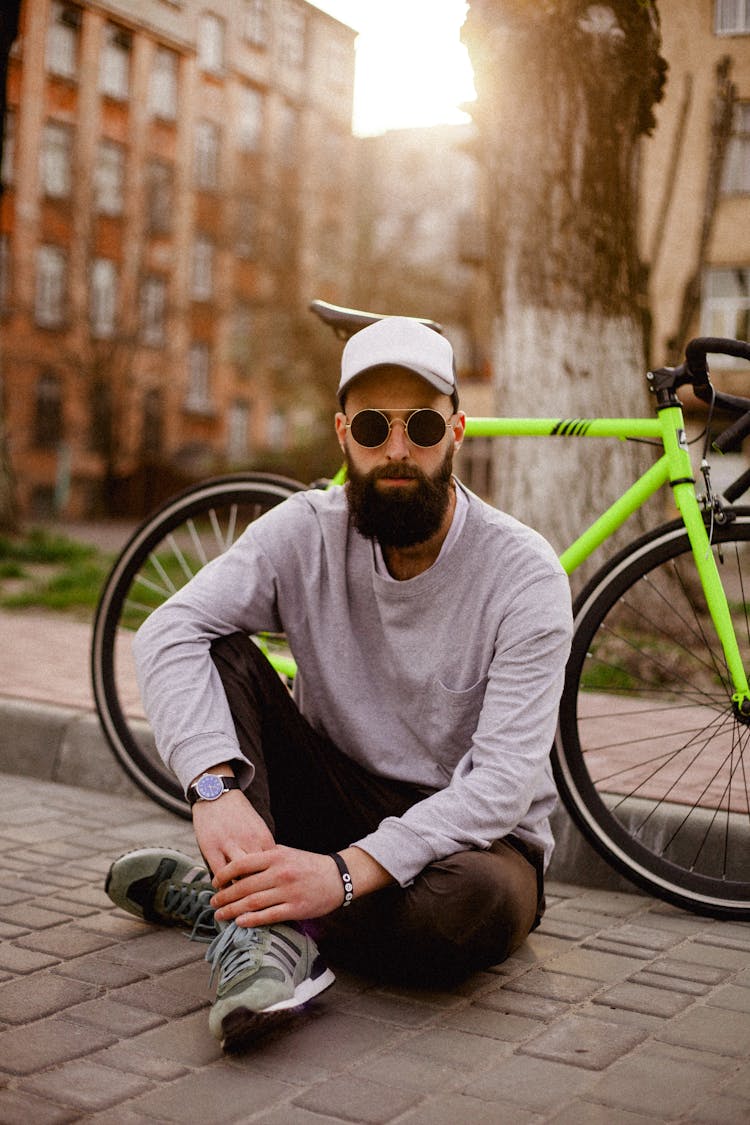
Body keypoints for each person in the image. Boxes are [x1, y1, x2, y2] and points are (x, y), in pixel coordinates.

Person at [105, 316, 573, 1048]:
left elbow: (503, 786)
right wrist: (213, 790)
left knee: (463, 914)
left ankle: (243, 904)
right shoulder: (304, 530)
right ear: (340, 432)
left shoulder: (525, 574)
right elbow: (169, 628)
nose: (396, 449)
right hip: (335, 795)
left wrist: (346, 875)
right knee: (216, 640)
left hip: (474, 844)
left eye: (420, 426)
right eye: (371, 426)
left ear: (456, 431)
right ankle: (265, 925)